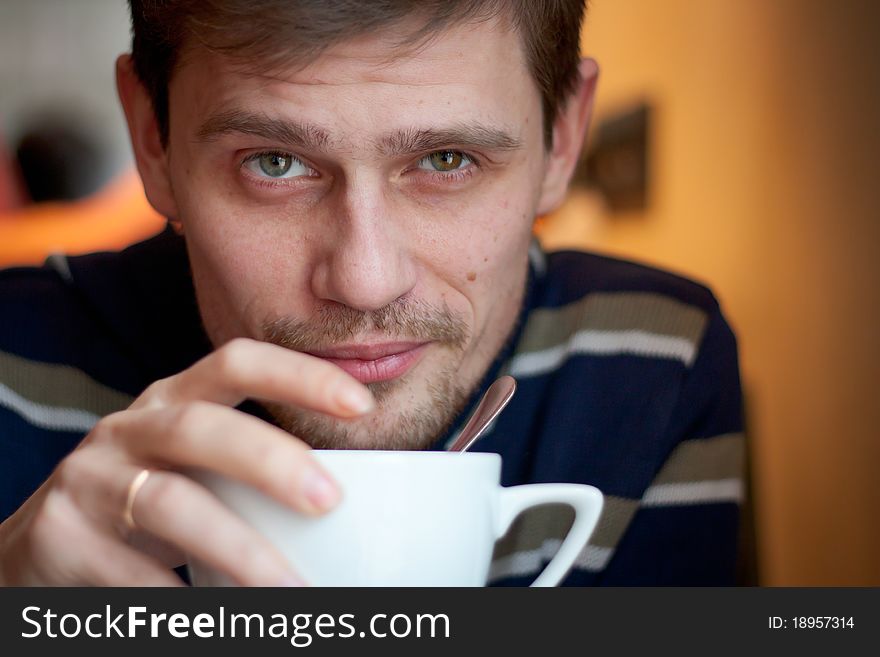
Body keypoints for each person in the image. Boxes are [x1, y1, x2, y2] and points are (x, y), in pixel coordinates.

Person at [0, 0, 744, 586]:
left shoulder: (655, 357)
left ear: (563, 135)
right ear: (152, 137)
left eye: (447, 159)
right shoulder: (14, 356)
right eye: (275, 163)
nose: (363, 282)